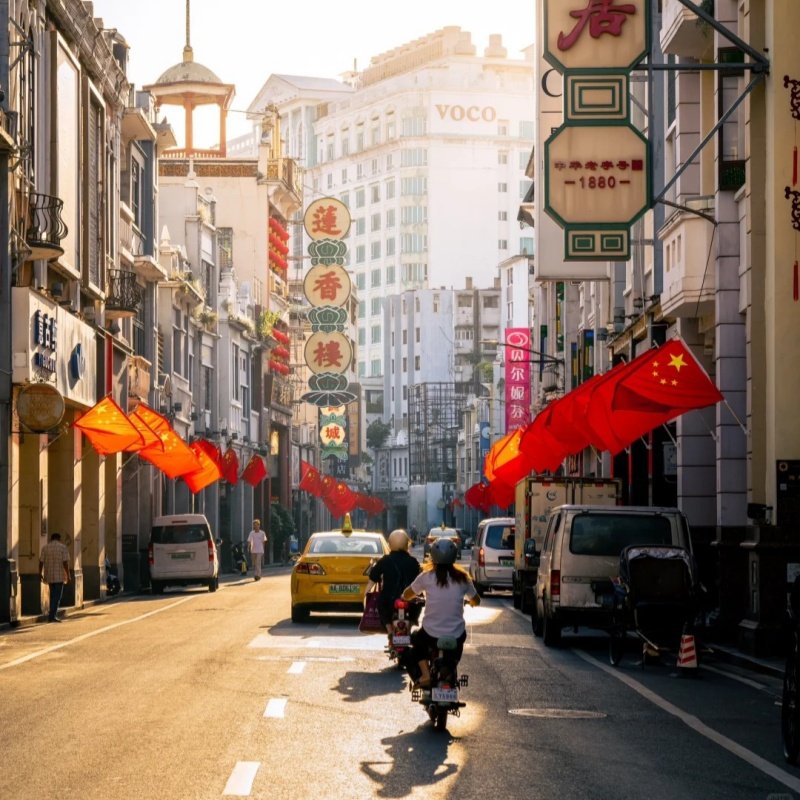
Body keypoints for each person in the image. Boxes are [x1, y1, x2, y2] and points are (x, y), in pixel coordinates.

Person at [402, 537, 480, 687]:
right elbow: (477, 600)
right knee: (462, 636)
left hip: (430, 633)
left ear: (432, 555)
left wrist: (411, 596)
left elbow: (407, 594)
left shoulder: (426, 577)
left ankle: (425, 674)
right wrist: (470, 602)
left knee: (415, 641)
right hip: (455, 635)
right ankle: (451, 668)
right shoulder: (463, 578)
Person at [366, 529, 421, 645]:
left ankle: (390, 630)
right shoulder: (413, 562)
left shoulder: (384, 561)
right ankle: (409, 627)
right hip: (410, 601)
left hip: (389, 601)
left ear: (390, 544)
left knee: (381, 603)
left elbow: (371, 580)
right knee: (418, 601)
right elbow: (421, 583)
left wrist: (366, 596)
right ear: (407, 544)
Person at [39, 532, 70, 623]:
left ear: (51, 539)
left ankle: (52, 615)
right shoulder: (63, 547)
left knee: (53, 595)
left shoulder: (45, 548)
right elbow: (65, 562)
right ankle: (52, 616)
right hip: (59, 576)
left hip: (49, 576)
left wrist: (40, 572)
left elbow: (41, 562)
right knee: (57, 597)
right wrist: (68, 575)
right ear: (59, 539)